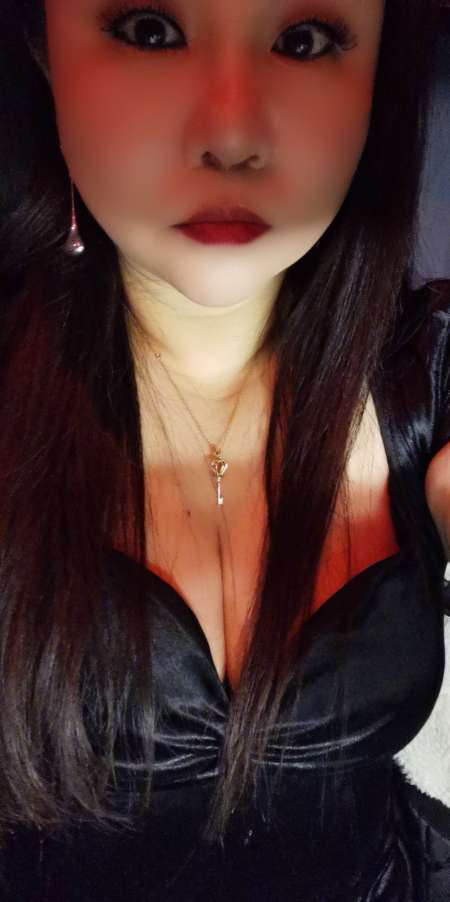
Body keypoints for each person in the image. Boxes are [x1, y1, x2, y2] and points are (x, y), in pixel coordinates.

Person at [0, 0, 449, 899]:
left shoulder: (424, 372)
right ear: (46, 51)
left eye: (304, 41)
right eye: (150, 31)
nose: (233, 135)